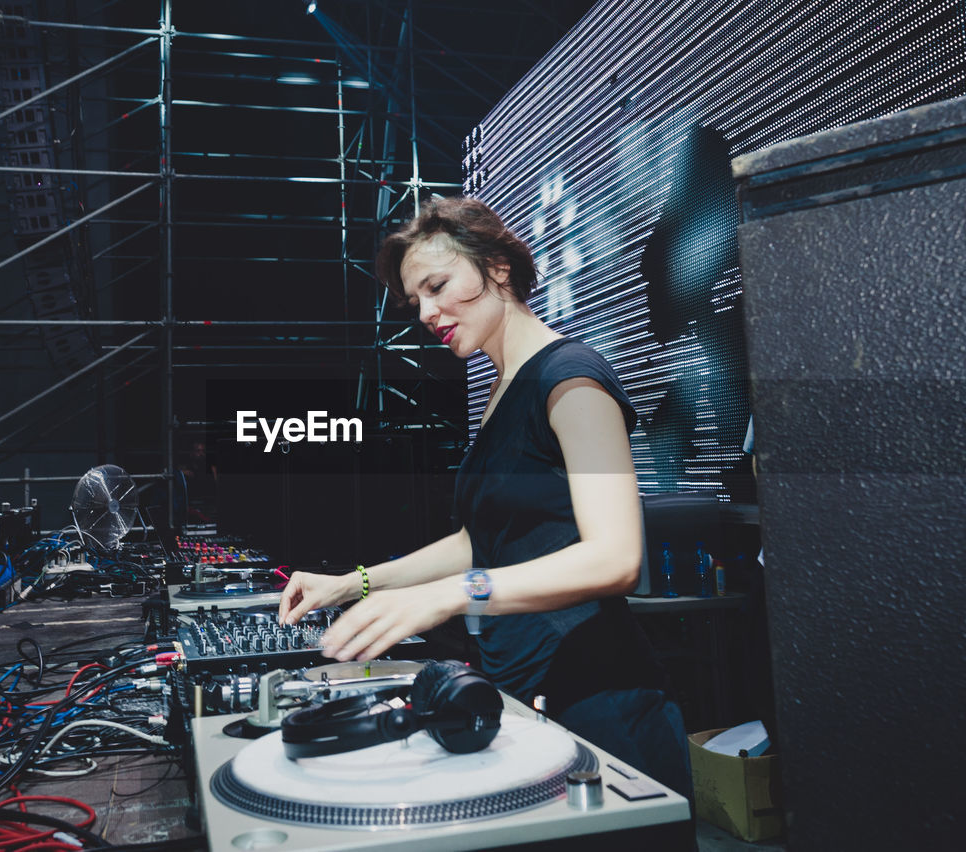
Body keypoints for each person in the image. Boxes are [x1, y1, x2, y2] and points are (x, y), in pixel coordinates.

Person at [277, 197, 694, 846]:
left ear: (498, 268)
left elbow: (616, 558)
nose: (429, 314)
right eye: (416, 301)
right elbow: (481, 541)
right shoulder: (503, 390)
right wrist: (353, 583)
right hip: (525, 697)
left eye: (438, 287)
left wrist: (448, 596)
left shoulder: (571, 379)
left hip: (603, 705)